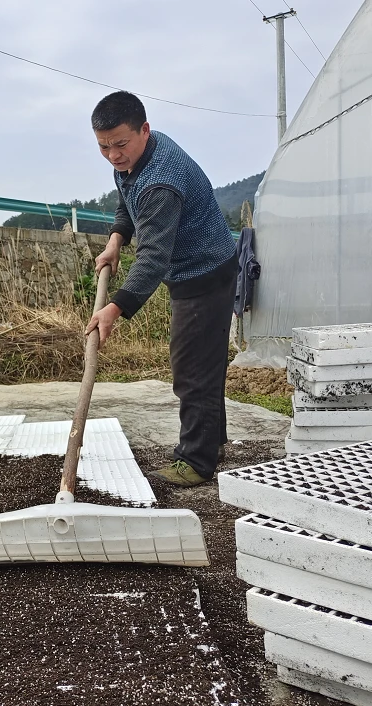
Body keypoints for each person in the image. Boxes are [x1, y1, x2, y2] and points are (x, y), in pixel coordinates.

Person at [86, 91, 238, 487]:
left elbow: (154, 257)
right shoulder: (133, 158)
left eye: (120, 144)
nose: (113, 155)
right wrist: (116, 239)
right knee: (202, 364)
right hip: (194, 269)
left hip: (205, 273)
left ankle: (197, 461)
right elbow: (126, 202)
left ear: (144, 130)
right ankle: (211, 442)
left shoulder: (161, 182)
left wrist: (115, 308)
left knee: (192, 370)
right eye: (104, 147)